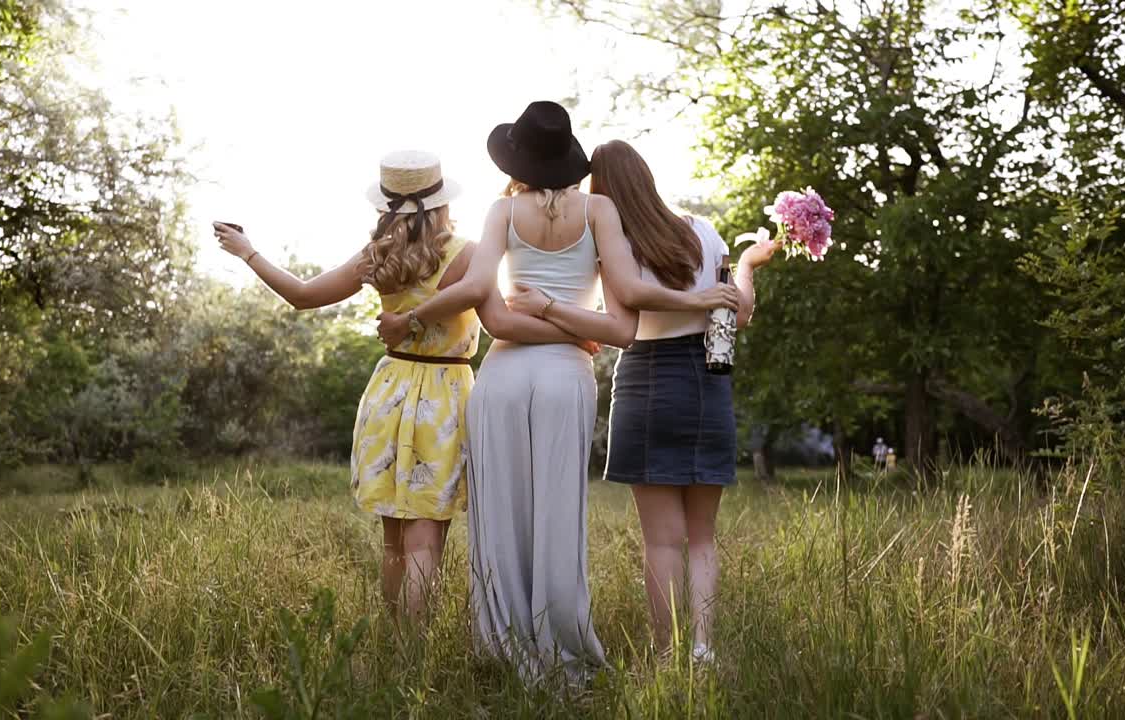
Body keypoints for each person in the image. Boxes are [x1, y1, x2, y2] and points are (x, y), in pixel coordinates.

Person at [377, 103, 735, 682]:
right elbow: (621, 327)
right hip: (566, 374)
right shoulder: (600, 209)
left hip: (503, 376)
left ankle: (503, 646)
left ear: (517, 159)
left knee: (504, 517)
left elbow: (495, 319)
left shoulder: (500, 211)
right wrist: (576, 327)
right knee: (556, 517)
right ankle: (560, 642)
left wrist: (532, 309)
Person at [505, 140, 777, 663]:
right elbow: (738, 313)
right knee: (701, 538)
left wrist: (547, 307)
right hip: (707, 382)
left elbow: (623, 315)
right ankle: (702, 648)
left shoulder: (613, 241)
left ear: (599, 189)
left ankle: (666, 654)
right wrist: (746, 263)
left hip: (649, 382)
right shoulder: (701, 229)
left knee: (662, 541)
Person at [213, 150, 488, 623]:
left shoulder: (377, 256)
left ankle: (391, 637)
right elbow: (498, 317)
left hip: (390, 391)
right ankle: (413, 651)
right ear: (441, 202)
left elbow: (302, 296)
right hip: (445, 397)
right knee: (427, 535)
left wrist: (248, 252)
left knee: (395, 540)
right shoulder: (468, 254)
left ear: (386, 206)